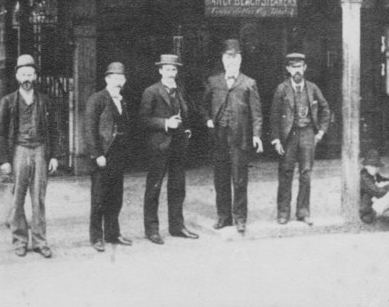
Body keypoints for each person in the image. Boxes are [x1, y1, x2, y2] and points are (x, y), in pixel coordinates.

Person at [0, 54, 60, 258]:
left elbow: (55, 130)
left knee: (39, 198)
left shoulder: (45, 101)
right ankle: (20, 241)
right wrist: (4, 160)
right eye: (23, 74)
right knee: (18, 198)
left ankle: (40, 242)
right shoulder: (8, 101)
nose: (27, 78)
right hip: (19, 150)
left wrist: (55, 155)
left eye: (30, 74)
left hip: (40, 150)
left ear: (35, 77)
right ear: (16, 76)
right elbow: (0, 133)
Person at [202, 39, 263, 233]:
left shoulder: (248, 83)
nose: (231, 61)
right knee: (220, 178)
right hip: (219, 136)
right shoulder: (213, 81)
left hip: (240, 138)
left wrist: (257, 135)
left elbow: (257, 113)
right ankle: (224, 217)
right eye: (228, 57)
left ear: (240, 59)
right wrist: (208, 120)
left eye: (235, 57)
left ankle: (240, 218)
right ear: (222, 59)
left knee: (239, 179)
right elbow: (203, 106)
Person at [140, 54, 198, 245]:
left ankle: (177, 227)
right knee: (154, 188)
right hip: (159, 146)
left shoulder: (179, 91)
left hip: (178, 147)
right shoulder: (151, 91)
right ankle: (152, 230)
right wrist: (166, 123)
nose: (171, 72)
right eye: (167, 69)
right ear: (160, 70)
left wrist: (186, 129)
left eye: (174, 69)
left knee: (177, 188)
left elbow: (185, 114)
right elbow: (143, 120)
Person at [269, 52, 330, 225]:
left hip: (308, 134)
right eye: (293, 67)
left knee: (306, 174)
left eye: (300, 67)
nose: (297, 71)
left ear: (305, 68)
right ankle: (283, 213)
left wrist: (321, 132)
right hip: (288, 136)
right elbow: (273, 116)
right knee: (286, 173)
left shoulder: (312, 88)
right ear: (288, 69)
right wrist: (276, 139)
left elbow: (325, 109)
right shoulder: (282, 89)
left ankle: (303, 212)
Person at [83, 61, 132, 252]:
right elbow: (89, 129)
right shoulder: (97, 99)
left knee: (115, 197)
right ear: (107, 79)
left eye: (122, 78)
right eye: (115, 78)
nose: (119, 82)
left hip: (118, 156)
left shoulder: (122, 100)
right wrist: (97, 154)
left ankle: (113, 234)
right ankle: (96, 237)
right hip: (103, 156)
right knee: (99, 198)